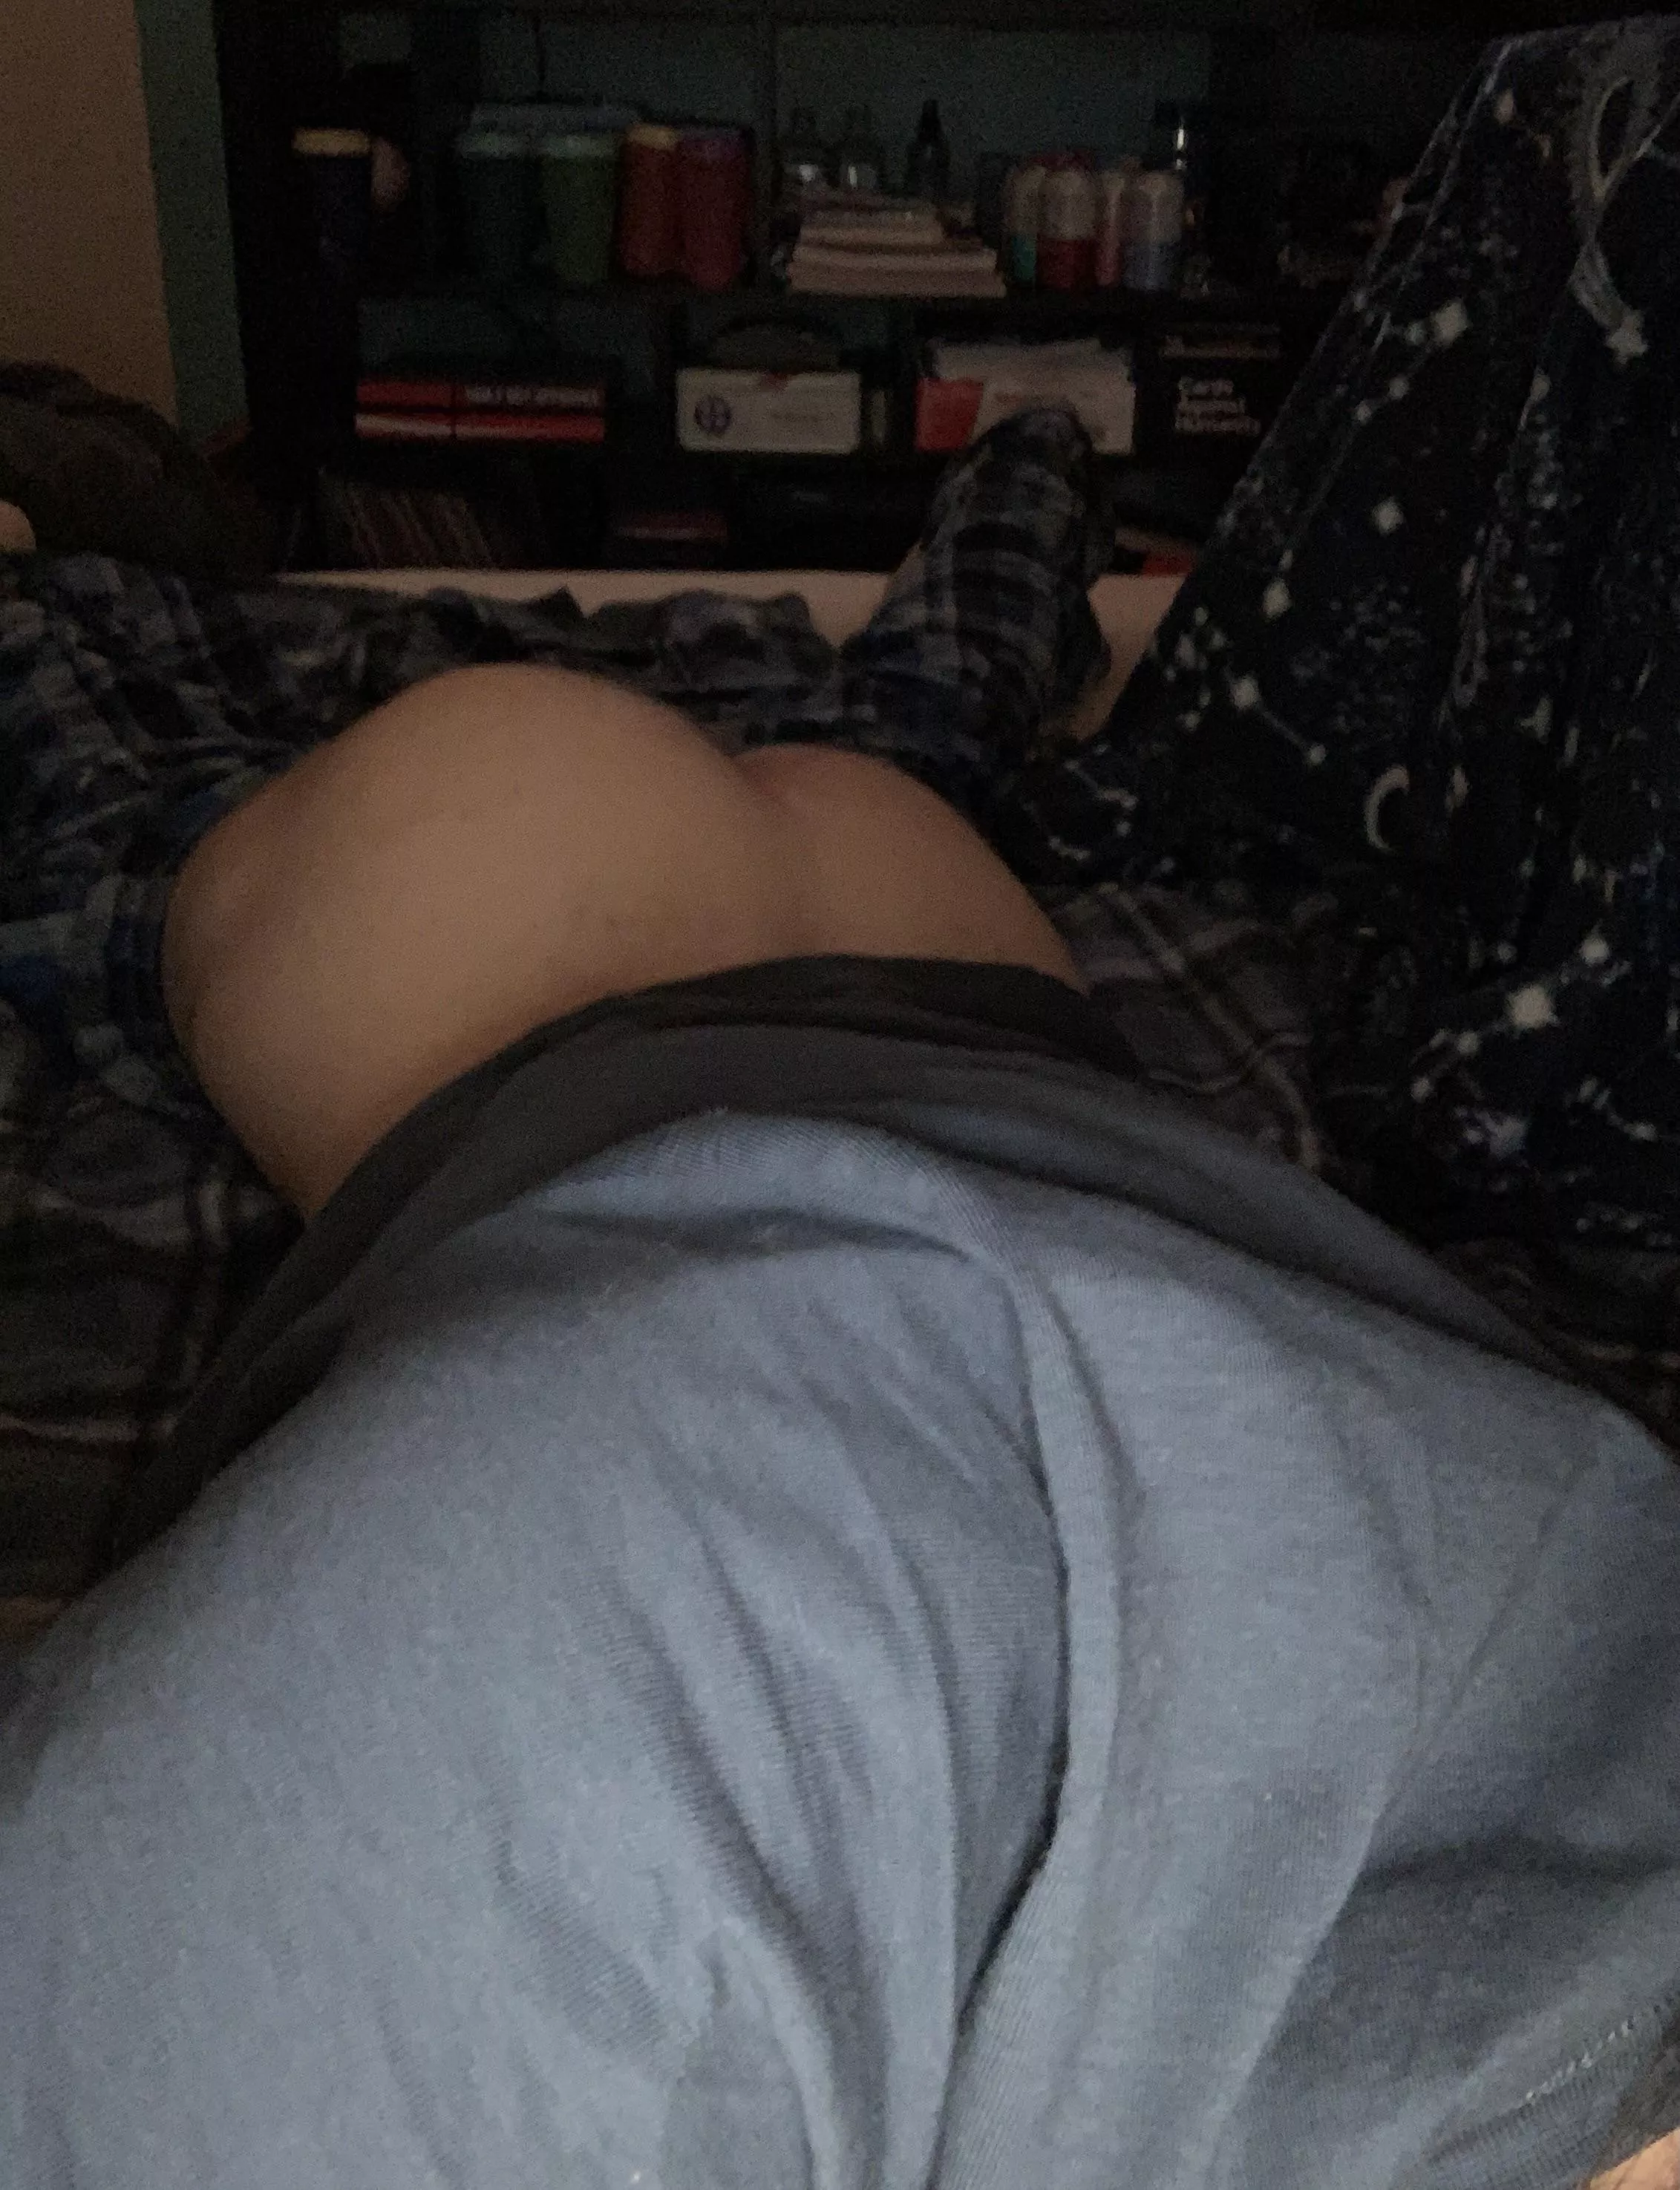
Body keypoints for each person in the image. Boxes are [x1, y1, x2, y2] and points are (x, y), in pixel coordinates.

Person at [4, 24, 1680, 2190]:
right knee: (213, 817)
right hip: (884, 1041)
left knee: (247, 819)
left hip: (802, 1039)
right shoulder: (555, 1703)